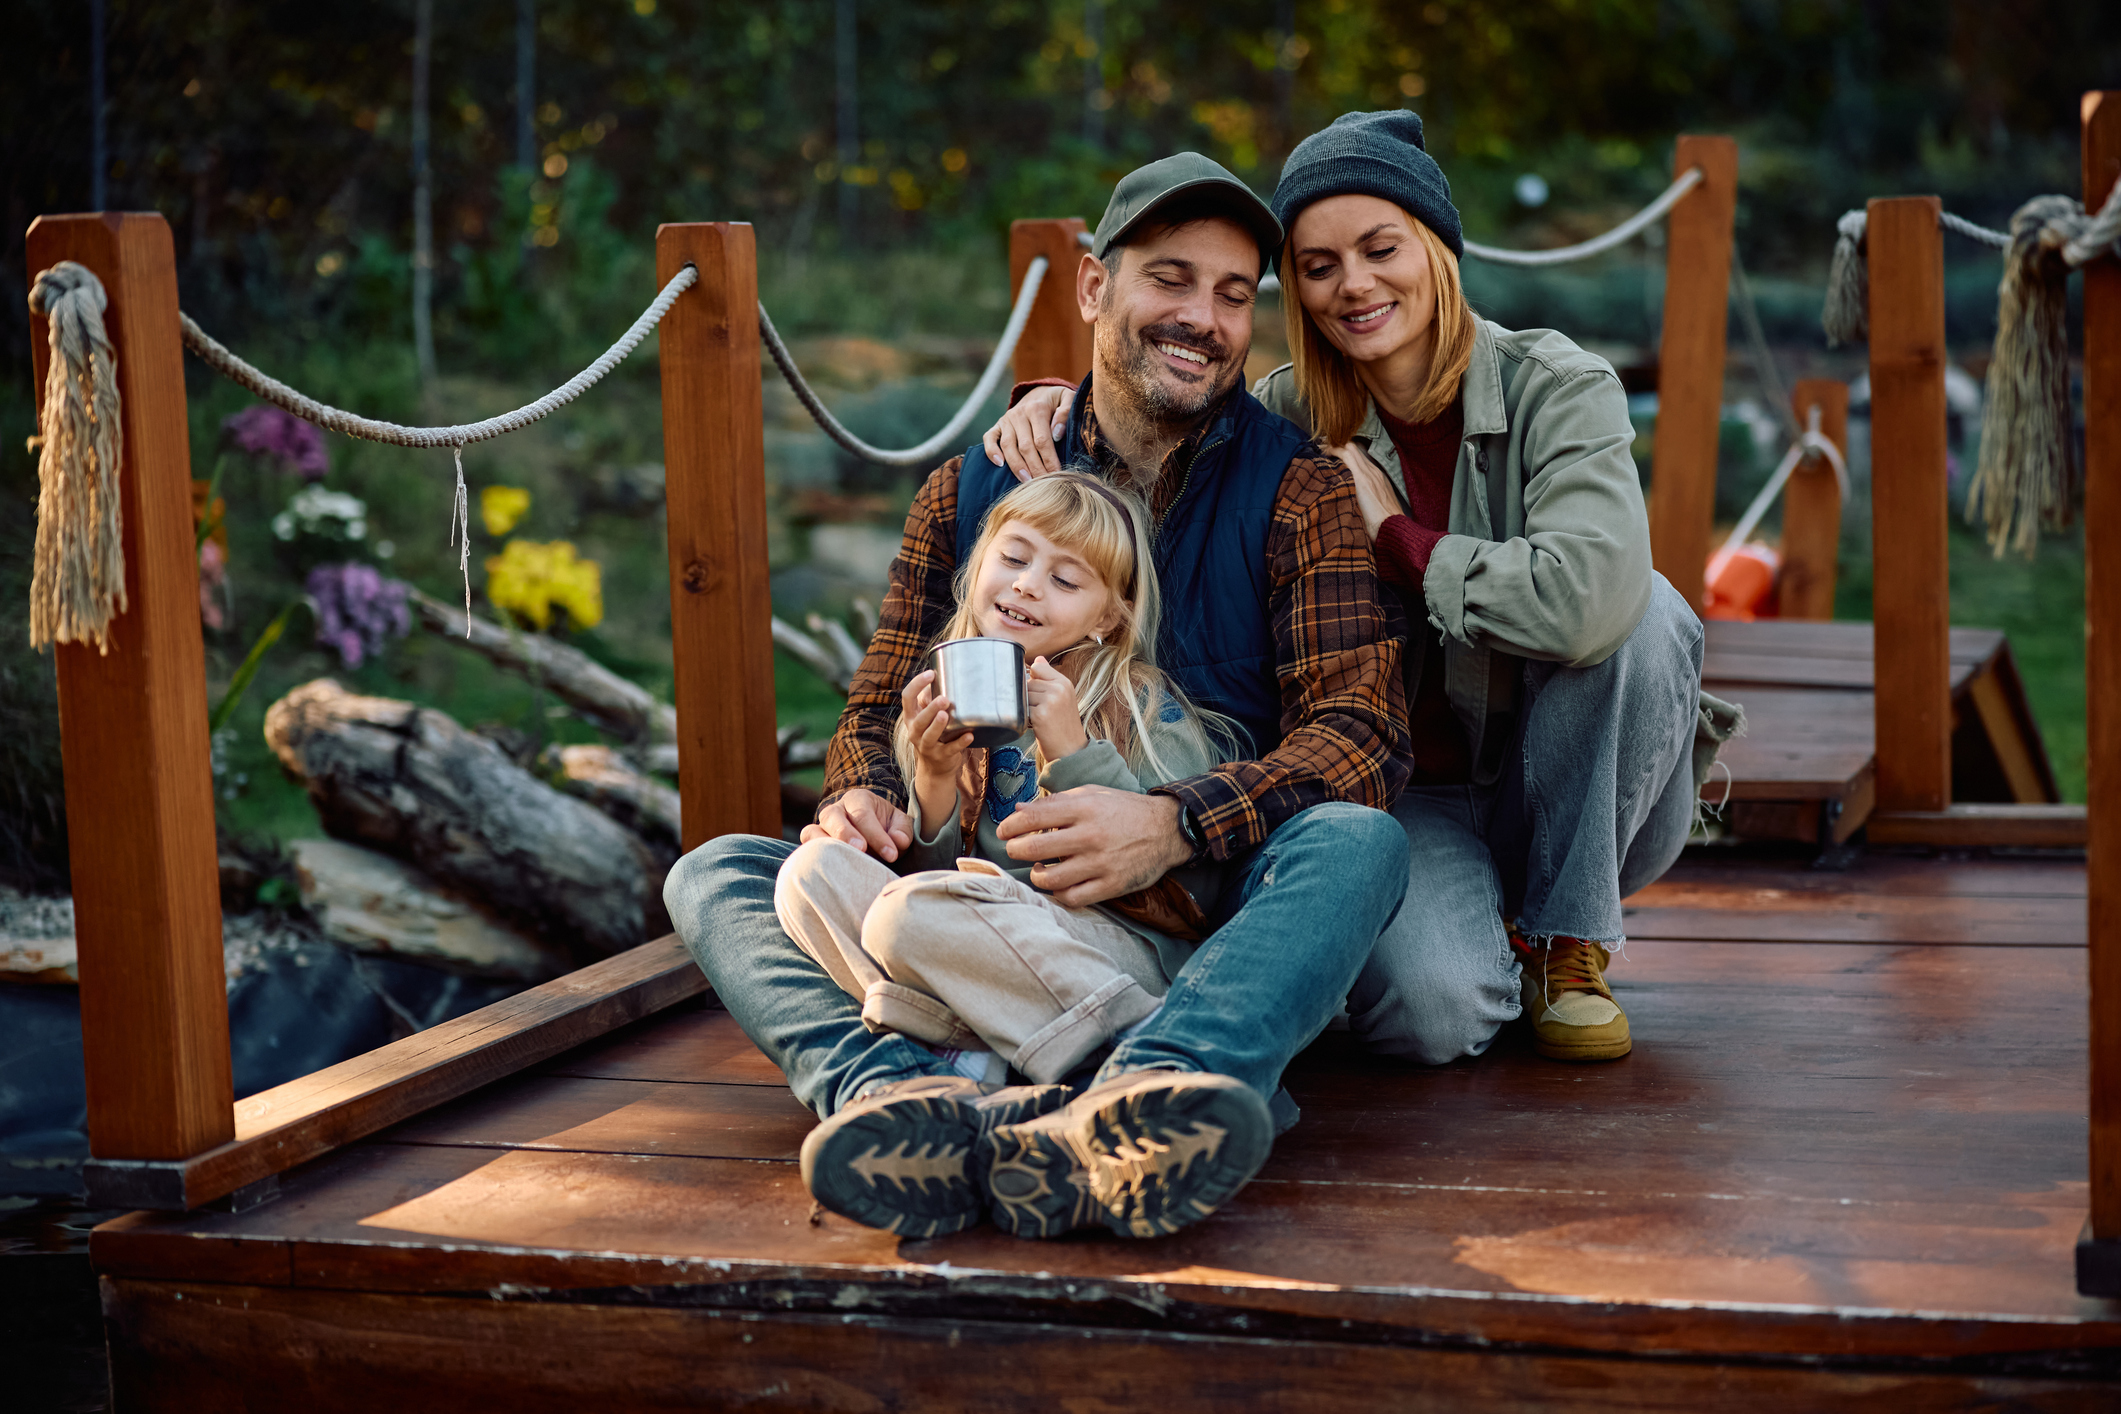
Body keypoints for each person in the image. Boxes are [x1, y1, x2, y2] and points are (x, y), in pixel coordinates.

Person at [663, 152, 1414, 1245]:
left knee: (1359, 840)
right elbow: (878, 696)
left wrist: (1171, 822)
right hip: (983, 882)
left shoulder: (1298, 488)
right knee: (720, 872)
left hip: (1192, 908)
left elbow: (1359, 736)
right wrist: (872, 792)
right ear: (1093, 288)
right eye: (1171, 279)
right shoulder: (974, 488)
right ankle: (900, 1101)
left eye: (1233, 294)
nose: (1202, 318)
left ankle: (1147, 1092)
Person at [986, 110, 1724, 1069]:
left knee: (1643, 613)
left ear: (1436, 251)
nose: (1354, 285)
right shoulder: (1288, 409)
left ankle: (1563, 943)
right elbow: (1164, 426)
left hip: (1583, 790)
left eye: (1381, 249)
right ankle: (1456, 942)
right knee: (1432, 1016)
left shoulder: (1556, 386)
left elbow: (1585, 605)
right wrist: (1055, 398)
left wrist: (1397, 538)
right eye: (1318, 265)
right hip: (1412, 795)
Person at [775, 473, 1253, 1235]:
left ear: (1106, 618)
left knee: (911, 917)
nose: (1029, 586)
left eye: (1065, 579)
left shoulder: (1137, 703)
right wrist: (930, 777)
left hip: (1104, 951)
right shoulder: (944, 689)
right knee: (810, 874)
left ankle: (1123, 1045)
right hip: (964, 942)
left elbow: (1180, 875)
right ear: (977, 570)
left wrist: (1070, 746)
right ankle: (988, 1063)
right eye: (1014, 559)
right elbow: (922, 889)